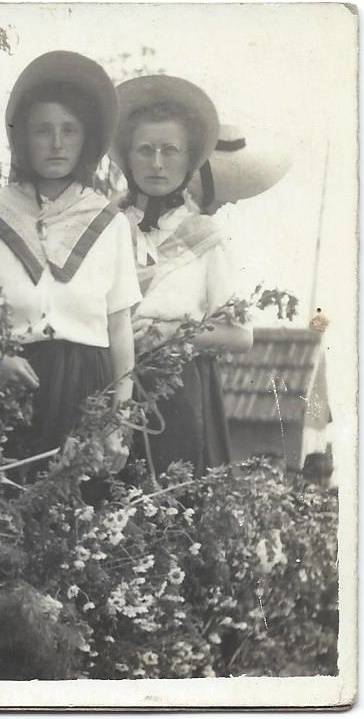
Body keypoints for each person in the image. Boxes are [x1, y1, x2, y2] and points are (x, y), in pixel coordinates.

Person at [0, 51, 139, 473]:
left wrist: (118, 417)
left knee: (76, 514)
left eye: (69, 130)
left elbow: (119, 326)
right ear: (22, 139)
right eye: (42, 130)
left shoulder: (109, 222)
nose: (56, 143)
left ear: (86, 139)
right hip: (7, 381)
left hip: (86, 387)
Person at [111, 75, 254, 477]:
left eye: (170, 150)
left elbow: (241, 335)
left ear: (188, 159)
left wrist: (175, 335)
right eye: (145, 150)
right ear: (127, 157)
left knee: (171, 515)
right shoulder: (105, 228)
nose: (157, 163)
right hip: (105, 388)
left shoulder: (205, 237)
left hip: (179, 396)